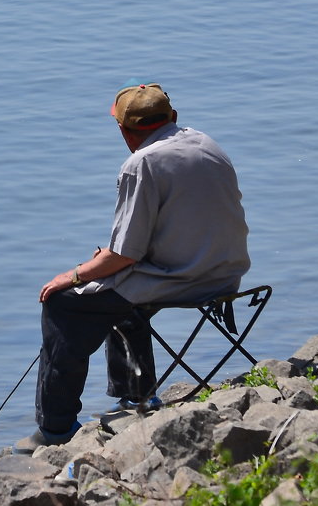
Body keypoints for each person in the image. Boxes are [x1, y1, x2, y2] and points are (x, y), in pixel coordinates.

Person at [14, 80, 250, 454]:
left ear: (124, 130)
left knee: (62, 302)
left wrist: (72, 275)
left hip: (185, 280)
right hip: (226, 273)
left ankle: (55, 428)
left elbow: (124, 255)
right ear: (172, 117)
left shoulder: (141, 164)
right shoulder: (206, 143)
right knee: (114, 286)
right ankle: (136, 397)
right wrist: (105, 263)